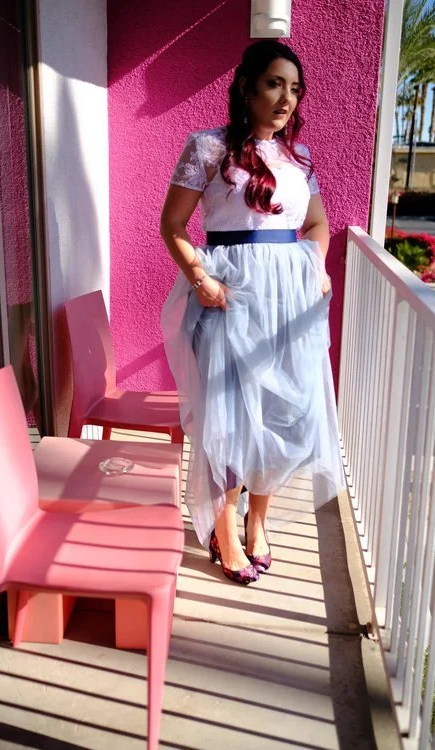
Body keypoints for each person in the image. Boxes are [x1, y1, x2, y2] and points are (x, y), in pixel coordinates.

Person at [160, 40, 344, 585]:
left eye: (295, 88)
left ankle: (256, 521)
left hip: (288, 302)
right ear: (246, 87)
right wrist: (201, 279)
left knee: (279, 412)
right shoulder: (208, 147)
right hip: (229, 295)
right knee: (228, 416)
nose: (286, 98)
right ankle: (223, 528)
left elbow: (317, 224)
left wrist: (316, 267)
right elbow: (173, 224)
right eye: (274, 84)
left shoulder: (299, 157)